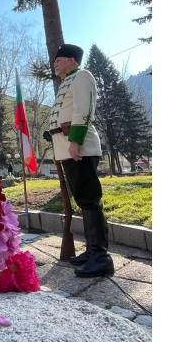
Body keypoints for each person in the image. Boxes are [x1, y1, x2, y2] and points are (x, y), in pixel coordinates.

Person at [48, 44, 114, 278]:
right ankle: (92, 251)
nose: (55, 63)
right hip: (68, 148)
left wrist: (75, 141)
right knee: (83, 200)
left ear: (72, 60)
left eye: (59, 60)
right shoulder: (67, 81)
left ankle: (101, 258)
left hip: (80, 146)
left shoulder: (82, 76)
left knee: (89, 198)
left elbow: (82, 109)